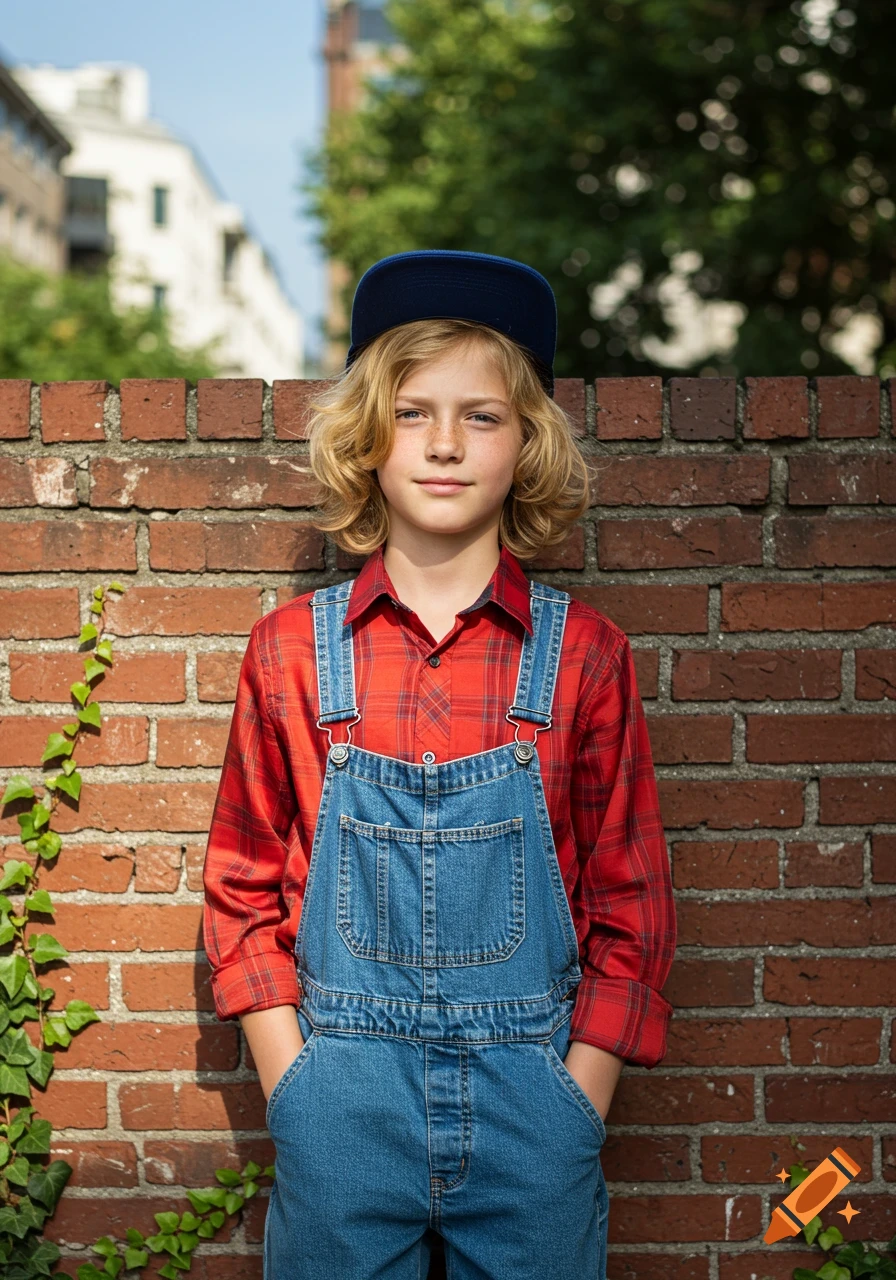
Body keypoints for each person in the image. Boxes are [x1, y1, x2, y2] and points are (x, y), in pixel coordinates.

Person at [202, 249, 678, 1279]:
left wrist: (574, 1102)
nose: (446, 445)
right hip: (341, 1108)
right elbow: (241, 887)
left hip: (532, 1113)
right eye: (413, 412)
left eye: (483, 415)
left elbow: (629, 903)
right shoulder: (291, 649)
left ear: (526, 444)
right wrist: (298, 1089)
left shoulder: (582, 653)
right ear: (367, 436)